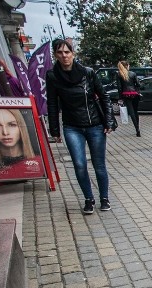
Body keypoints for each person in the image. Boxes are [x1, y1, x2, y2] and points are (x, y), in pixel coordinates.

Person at [45, 37, 113, 214]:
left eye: (67, 52)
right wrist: (54, 129)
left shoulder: (88, 73)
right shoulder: (53, 76)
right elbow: (52, 103)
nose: (64, 56)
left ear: (73, 53)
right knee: (79, 164)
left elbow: (104, 96)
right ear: (55, 55)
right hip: (72, 126)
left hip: (95, 125)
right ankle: (88, 199)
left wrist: (109, 121)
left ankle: (104, 198)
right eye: (60, 52)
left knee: (99, 165)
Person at [116, 60, 141, 136]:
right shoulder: (133, 74)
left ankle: (137, 129)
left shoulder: (119, 74)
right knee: (136, 111)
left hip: (126, 94)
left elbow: (119, 88)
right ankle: (138, 128)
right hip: (135, 94)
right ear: (127, 66)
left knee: (131, 112)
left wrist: (120, 98)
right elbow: (138, 84)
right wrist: (137, 91)